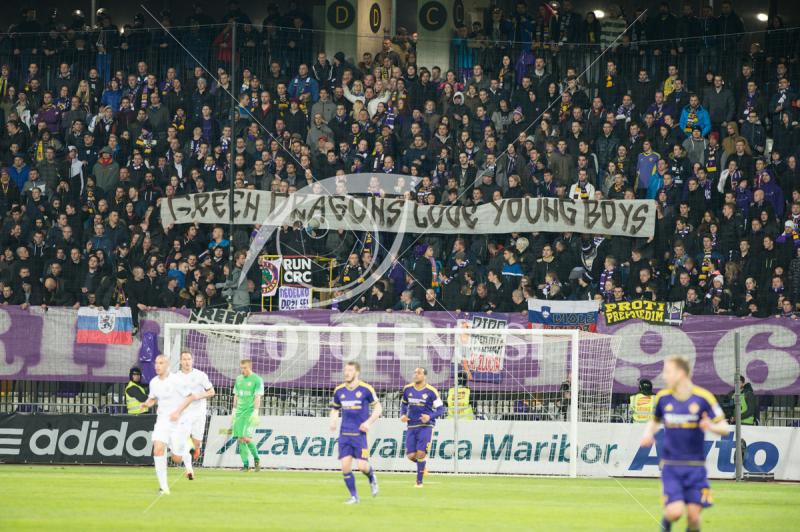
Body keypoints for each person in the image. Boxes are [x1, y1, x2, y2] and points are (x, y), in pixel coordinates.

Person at [639, 355, 730, 532]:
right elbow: (654, 422)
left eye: (668, 371)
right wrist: (647, 434)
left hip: (696, 468)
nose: (664, 376)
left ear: (680, 373)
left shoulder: (704, 397)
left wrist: (710, 426)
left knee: (694, 518)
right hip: (671, 466)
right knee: (675, 513)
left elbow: (724, 428)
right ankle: (666, 525)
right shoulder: (663, 397)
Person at [141, 354, 200, 494]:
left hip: (179, 423)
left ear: (167, 365)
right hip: (162, 421)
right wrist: (146, 404)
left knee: (176, 458)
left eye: (161, 363)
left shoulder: (176, 380)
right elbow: (153, 398)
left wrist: (177, 412)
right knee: (158, 449)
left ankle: (187, 446)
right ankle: (164, 488)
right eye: (156, 363)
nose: (157, 366)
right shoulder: (154, 382)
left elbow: (191, 397)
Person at [328, 361, 381, 504]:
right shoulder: (339, 390)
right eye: (346, 370)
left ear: (357, 372)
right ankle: (354, 497)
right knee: (345, 467)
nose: (347, 373)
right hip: (344, 435)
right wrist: (333, 421)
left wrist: (368, 423)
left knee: (362, 467)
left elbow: (378, 408)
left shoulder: (366, 389)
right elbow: (335, 409)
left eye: (350, 370)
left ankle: (371, 477)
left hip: (359, 435)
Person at [400, 367, 445, 487]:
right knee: (410, 456)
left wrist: (429, 416)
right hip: (411, 425)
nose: (416, 375)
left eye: (419, 373)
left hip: (426, 426)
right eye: (415, 373)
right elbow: (404, 404)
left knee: (421, 453)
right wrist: (403, 415)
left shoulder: (431, 391)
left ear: (424, 376)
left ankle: (419, 483)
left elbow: (441, 409)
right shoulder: (407, 389)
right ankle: (422, 466)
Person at [176, 350, 215, 461]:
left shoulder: (200, 375)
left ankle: (197, 447)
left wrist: (197, 396)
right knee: (183, 437)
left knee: (196, 443)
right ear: (180, 361)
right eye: (184, 359)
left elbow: (212, 392)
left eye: (189, 359)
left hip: (199, 412)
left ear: (192, 360)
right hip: (184, 413)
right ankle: (188, 465)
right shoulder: (176, 377)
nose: (187, 362)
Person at [232, 359, 264, 472]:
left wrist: (256, 411)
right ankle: (246, 465)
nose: (243, 370)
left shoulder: (257, 379)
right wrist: (234, 409)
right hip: (239, 413)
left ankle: (257, 459)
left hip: (250, 413)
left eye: (245, 368)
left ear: (250, 367)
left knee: (246, 438)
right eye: (241, 368)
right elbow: (236, 395)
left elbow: (257, 396)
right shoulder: (238, 379)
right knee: (240, 439)